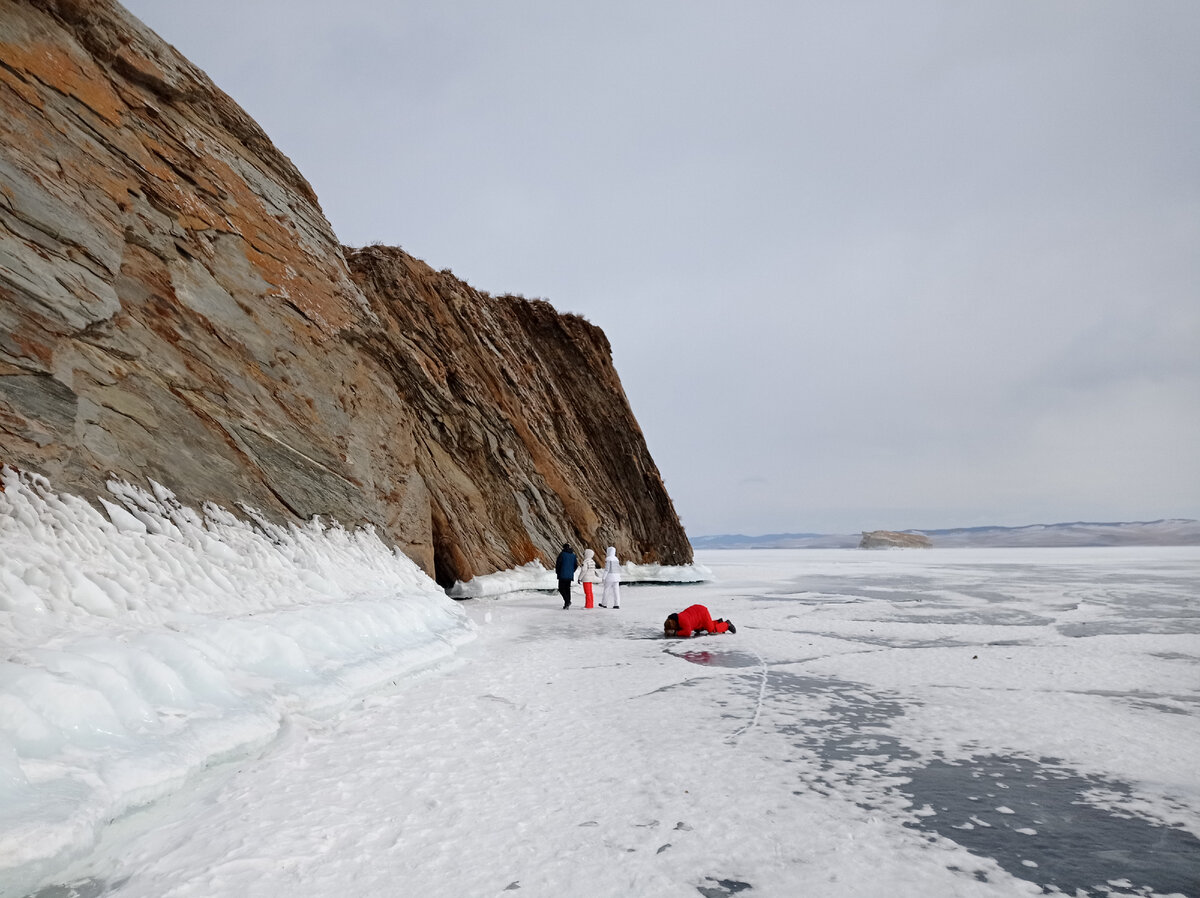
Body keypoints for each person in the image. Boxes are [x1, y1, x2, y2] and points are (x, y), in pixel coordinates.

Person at [663, 604, 735, 637]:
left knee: (712, 630)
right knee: (699, 629)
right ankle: (718, 622)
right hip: (697, 615)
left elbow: (687, 632)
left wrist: (675, 633)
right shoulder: (677, 618)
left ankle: (727, 624)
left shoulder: (683, 620)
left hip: (702, 612)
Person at [554, 543, 577, 609]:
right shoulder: (573, 555)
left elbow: (558, 564)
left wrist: (558, 572)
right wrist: (571, 571)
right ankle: (567, 603)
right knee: (567, 588)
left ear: (563, 548)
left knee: (561, 588)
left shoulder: (562, 554)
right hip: (569, 575)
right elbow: (575, 565)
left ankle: (567, 601)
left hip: (562, 574)